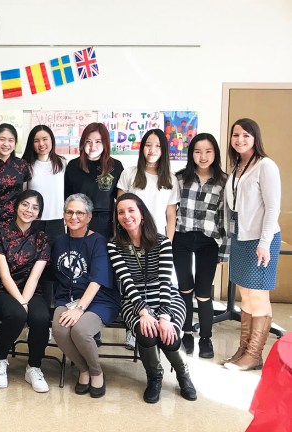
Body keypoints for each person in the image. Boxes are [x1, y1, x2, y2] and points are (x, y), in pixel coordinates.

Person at [107, 193, 196, 404]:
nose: (126, 216)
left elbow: (165, 281)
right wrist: (143, 311)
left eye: (131, 210)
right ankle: (155, 377)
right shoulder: (114, 245)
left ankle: (184, 375)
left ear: (142, 215)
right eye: (121, 212)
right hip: (133, 299)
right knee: (146, 332)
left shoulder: (162, 242)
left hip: (166, 297)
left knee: (169, 332)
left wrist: (164, 316)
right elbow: (127, 282)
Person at [223, 118, 281, 372]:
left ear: (255, 138)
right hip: (241, 238)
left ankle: (255, 354)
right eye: (236, 135)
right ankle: (244, 349)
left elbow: (272, 207)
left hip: (261, 239)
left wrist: (265, 243)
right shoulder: (238, 166)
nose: (240, 140)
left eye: (246, 135)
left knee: (258, 295)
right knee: (245, 294)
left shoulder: (265, 166)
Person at [50, 194, 119, 399]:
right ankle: (84, 368)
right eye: (69, 212)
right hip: (67, 298)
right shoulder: (60, 241)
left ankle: (97, 372)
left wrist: (79, 309)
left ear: (89, 217)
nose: (74, 217)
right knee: (59, 330)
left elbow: (97, 280)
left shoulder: (98, 241)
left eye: (80, 213)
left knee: (80, 330)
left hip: (99, 299)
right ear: (64, 215)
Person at [117, 129, 178, 350]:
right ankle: (132, 329)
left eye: (158, 146)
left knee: (156, 283)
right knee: (130, 282)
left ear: (164, 150)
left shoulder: (170, 179)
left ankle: (161, 318)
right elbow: (121, 208)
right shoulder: (129, 173)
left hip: (157, 241)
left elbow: (171, 216)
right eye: (148, 145)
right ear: (141, 147)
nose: (152, 150)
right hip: (130, 239)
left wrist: (168, 244)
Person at [0, 190, 51, 393]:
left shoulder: (42, 237)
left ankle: (34, 367)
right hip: (0, 290)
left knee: (40, 317)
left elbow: (34, 276)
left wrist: (24, 300)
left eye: (35, 207)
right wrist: (21, 303)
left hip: (30, 290)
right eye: (25, 204)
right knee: (16, 313)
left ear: (39, 213)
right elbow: (4, 275)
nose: (28, 210)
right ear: (16, 206)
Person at [173, 133, 228, 358]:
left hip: (209, 241)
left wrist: (224, 249)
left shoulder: (224, 181)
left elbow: (226, 217)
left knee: (204, 292)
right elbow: (170, 211)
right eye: (197, 151)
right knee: (185, 288)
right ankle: (186, 332)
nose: (203, 156)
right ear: (190, 154)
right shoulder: (179, 178)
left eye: (208, 151)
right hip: (182, 238)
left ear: (215, 153)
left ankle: (205, 338)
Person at [0, 123, 31, 348]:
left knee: (18, 272)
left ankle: (21, 316)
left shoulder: (23, 167)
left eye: (10, 140)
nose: (6, 144)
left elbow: (28, 196)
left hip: (17, 229)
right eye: (2, 139)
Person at [64, 122, 124, 239]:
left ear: (105, 143)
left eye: (98, 141)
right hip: (78, 220)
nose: (92, 146)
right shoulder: (73, 165)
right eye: (88, 141)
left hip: (105, 223)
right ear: (82, 143)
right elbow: (67, 197)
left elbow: (121, 199)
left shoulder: (116, 166)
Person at [23, 125, 67, 242]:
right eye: (36, 141)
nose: (41, 144)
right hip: (33, 222)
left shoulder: (62, 163)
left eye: (45, 139)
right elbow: (22, 195)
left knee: (57, 258)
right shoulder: (26, 165)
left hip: (57, 221)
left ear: (52, 140)